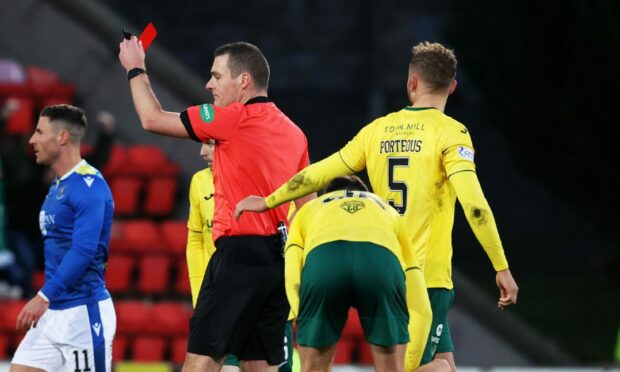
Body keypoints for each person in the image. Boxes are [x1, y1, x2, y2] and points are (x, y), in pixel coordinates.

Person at [235, 41, 519, 371]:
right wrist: (501, 266)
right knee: (427, 369)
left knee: (445, 365)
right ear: (452, 87)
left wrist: (270, 199)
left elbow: (319, 173)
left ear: (411, 82)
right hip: (425, 276)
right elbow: (475, 206)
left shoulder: (377, 131)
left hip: (387, 261)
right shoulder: (452, 133)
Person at [118, 39, 313, 372]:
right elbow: (308, 210)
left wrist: (136, 67)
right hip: (279, 262)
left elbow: (151, 119)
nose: (209, 84)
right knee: (260, 364)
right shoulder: (295, 133)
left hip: (238, 257)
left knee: (201, 362)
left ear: (244, 81)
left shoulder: (231, 118)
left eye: (216, 76)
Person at [285, 175, 448, 372]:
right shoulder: (386, 210)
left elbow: (292, 268)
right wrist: (406, 367)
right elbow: (420, 301)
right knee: (391, 367)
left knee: (314, 366)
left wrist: (299, 314)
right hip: (380, 262)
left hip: (325, 260)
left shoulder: (311, 208)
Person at [11, 104, 115, 372]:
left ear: (62, 137)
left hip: (82, 314)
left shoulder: (89, 186)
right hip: (53, 314)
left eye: (39, 132)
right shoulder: (58, 185)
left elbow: (84, 250)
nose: (32, 139)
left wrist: (43, 296)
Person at [186, 140, 295, 372]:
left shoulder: (268, 177)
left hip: (268, 300)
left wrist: (292, 296)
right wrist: (199, 295)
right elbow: (195, 241)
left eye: (210, 144)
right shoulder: (199, 182)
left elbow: (293, 237)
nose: (202, 151)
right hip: (224, 299)